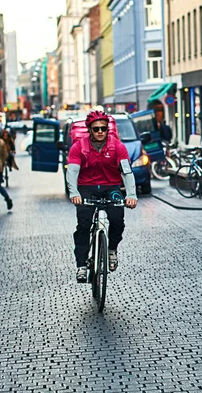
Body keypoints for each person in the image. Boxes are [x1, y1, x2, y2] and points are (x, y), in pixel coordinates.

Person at [66, 110, 138, 282]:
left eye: (103, 129)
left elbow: (127, 172)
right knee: (83, 225)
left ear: (108, 129)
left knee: (117, 220)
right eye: (96, 128)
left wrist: (131, 195)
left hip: (111, 187)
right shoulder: (79, 147)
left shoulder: (118, 147)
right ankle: (82, 265)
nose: (100, 132)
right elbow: (73, 171)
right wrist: (74, 193)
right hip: (87, 187)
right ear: (89, 129)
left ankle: (112, 249)